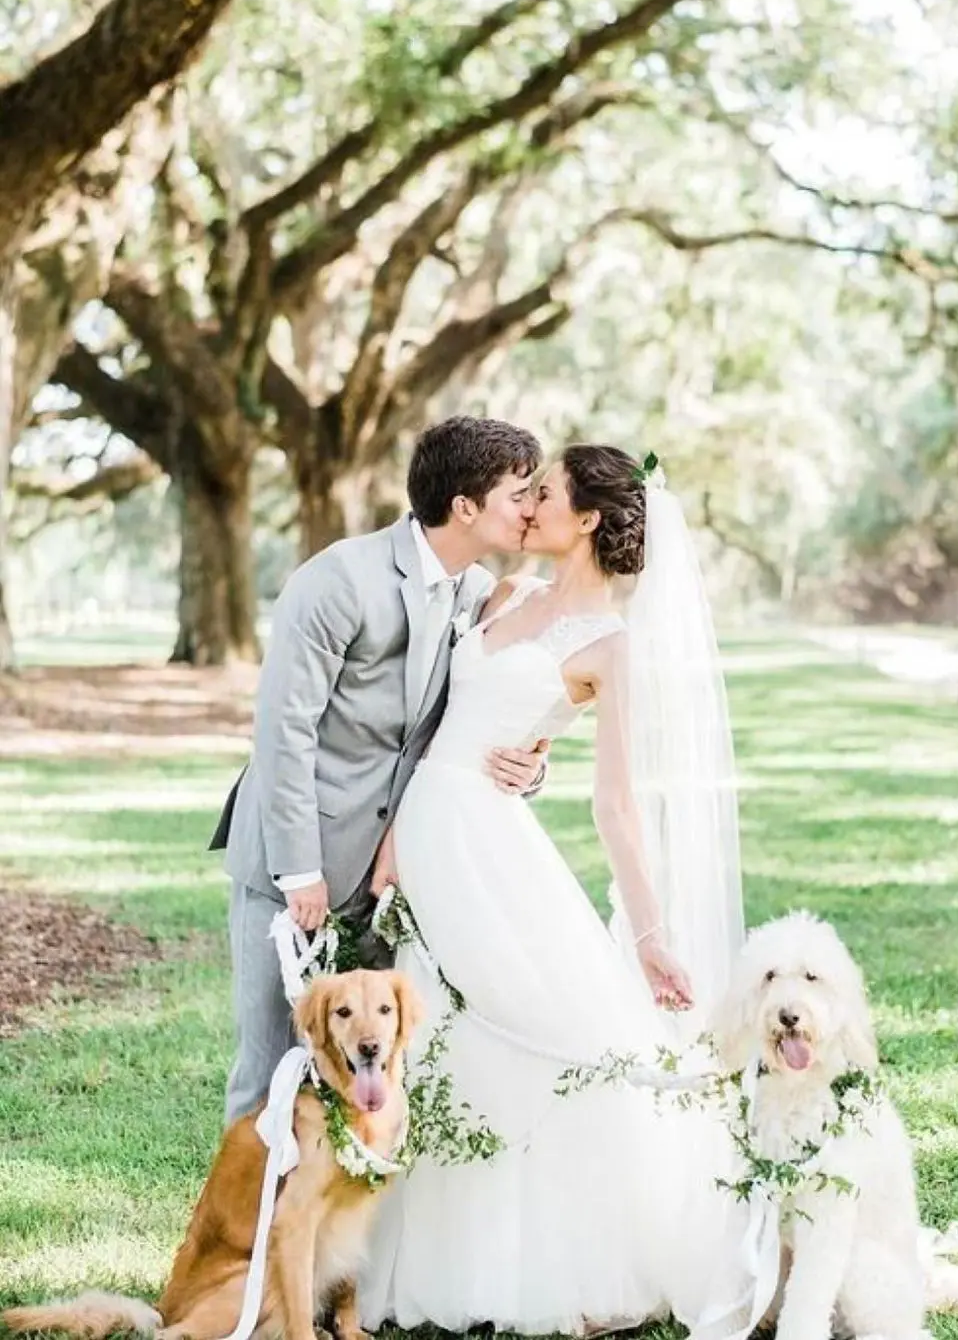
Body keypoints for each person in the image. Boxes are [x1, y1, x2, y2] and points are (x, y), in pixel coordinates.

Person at [361, 444, 745, 1335]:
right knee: (437, 1030)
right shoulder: (505, 593)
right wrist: (397, 837)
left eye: (546, 493)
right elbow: (440, 721)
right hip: (428, 830)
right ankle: (413, 1254)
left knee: (533, 1028)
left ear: (589, 521)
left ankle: (548, 1268)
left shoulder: (609, 648)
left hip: (489, 847)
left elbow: (617, 804)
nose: (527, 505)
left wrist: (648, 934)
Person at [209, 416, 551, 1124]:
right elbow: (283, 732)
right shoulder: (337, 580)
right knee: (269, 1067)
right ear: (465, 505)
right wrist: (298, 871)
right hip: (293, 862)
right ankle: (248, 1200)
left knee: (369, 1066)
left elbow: (469, 721)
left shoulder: (478, 593)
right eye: (518, 494)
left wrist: (529, 765)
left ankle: (339, 1197)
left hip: (394, 873)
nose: (532, 508)